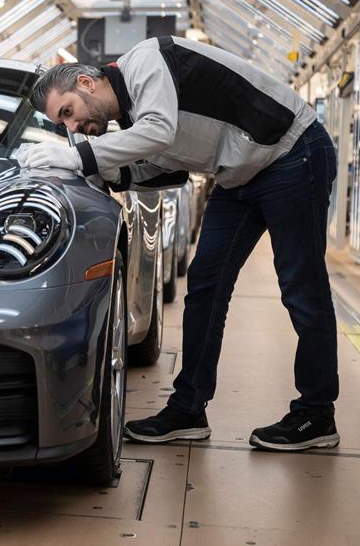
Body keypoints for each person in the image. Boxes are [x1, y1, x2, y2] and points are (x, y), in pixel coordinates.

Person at [18, 35, 339, 452]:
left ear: (86, 82)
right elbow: (170, 171)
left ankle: (316, 414)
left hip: (293, 155)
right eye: (63, 126)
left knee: (301, 288)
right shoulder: (134, 119)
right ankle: (188, 410)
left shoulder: (147, 61)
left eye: (69, 113)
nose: (73, 128)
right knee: (204, 286)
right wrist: (113, 175)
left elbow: (160, 130)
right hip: (238, 176)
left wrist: (80, 157)